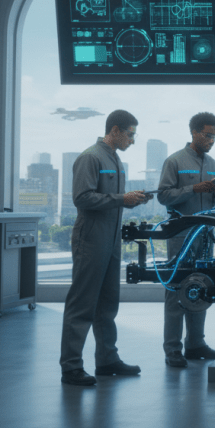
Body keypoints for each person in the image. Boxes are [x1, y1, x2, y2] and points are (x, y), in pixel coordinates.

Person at [60, 110, 151, 386]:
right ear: (115, 130)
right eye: (130, 134)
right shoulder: (91, 157)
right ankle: (71, 367)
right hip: (91, 238)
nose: (132, 141)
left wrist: (130, 199)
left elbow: (113, 199)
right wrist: (122, 198)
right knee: (82, 303)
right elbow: (82, 198)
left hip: (111, 239)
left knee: (108, 303)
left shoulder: (115, 159)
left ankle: (107, 359)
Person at [156, 112, 215, 368]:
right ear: (194, 133)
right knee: (176, 290)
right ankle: (173, 349)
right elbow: (163, 196)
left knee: (202, 288)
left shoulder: (213, 164)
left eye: (214, 136)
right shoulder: (174, 161)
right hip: (181, 236)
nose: (211, 140)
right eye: (208, 135)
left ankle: (196, 344)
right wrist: (192, 189)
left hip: (205, 235)